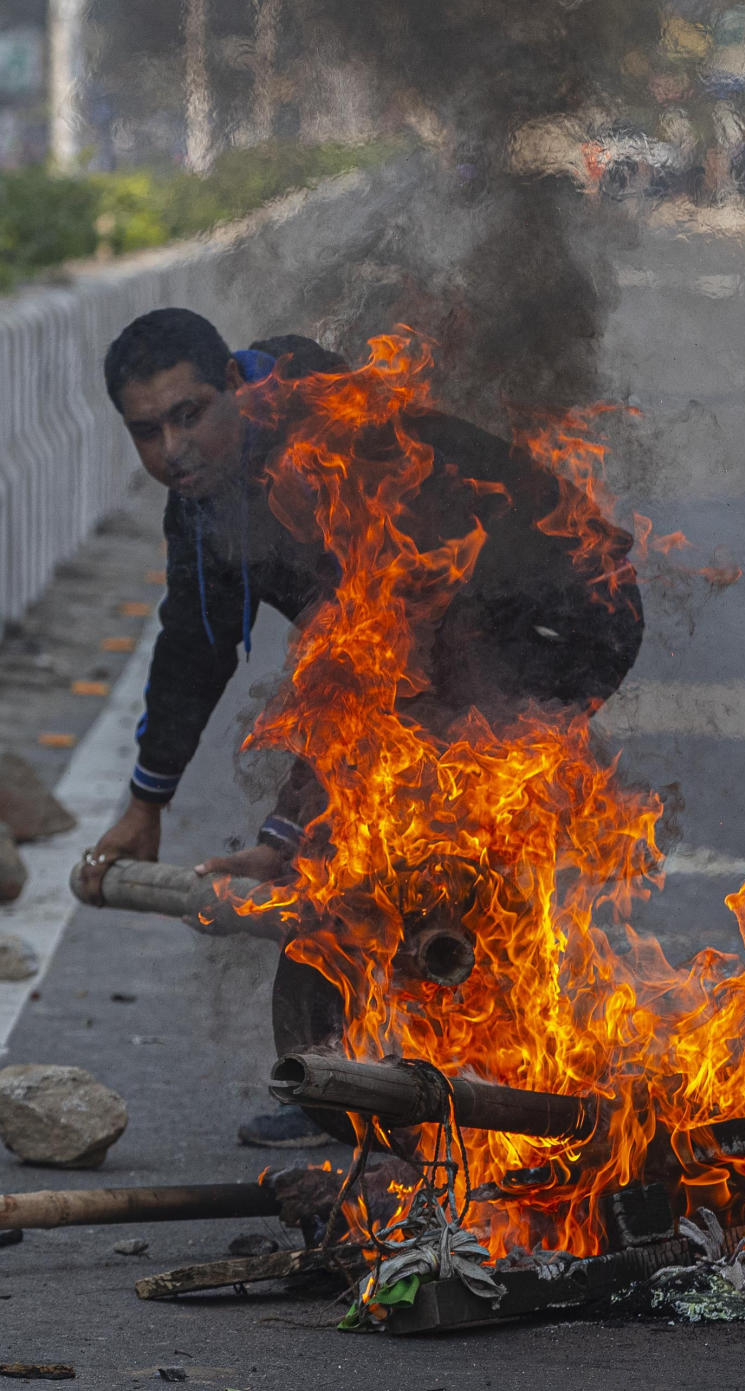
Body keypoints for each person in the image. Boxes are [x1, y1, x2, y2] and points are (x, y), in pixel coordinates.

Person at [78, 307, 645, 1143]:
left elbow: (386, 665)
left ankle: (469, 1064)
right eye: (147, 432)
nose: (174, 450)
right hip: (430, 639)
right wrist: (145, 802)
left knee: (383, 818)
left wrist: (285, 828)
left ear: (236, 383)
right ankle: (338, 1077)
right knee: (354, 821)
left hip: (563, 615)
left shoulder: (332, 445)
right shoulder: (202, 498)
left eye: (189, 414)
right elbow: (196, 639)